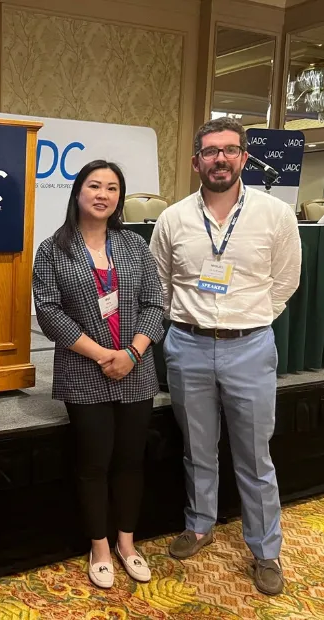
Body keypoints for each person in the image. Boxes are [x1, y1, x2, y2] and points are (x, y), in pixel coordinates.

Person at [149, 118, 301, 595]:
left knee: (255, 456)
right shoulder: (173, 218)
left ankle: (266, 550)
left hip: (250, 347)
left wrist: (250, 319)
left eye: (230, 150)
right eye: (211, 151)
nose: (220, 159)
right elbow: (159, 283)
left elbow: (286, 280)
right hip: (188, 345)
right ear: (196, 161)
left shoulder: (275, 215)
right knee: (197, 447)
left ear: (244, 158)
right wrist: (192, 322)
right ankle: (200, 525)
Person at [33, 160, 164, 589]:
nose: (102, 194)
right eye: (94, 186)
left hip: (136, 370)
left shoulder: (134, 245)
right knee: (93, 463)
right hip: (83, 370)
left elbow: (154, 303)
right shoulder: (53, 249)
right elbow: (49, 312)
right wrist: (104, 355)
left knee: (130, 461)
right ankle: (100, 547)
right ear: (78, 192)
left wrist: (132, 352)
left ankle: (127, 543)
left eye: (112, 188)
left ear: (119, 198)